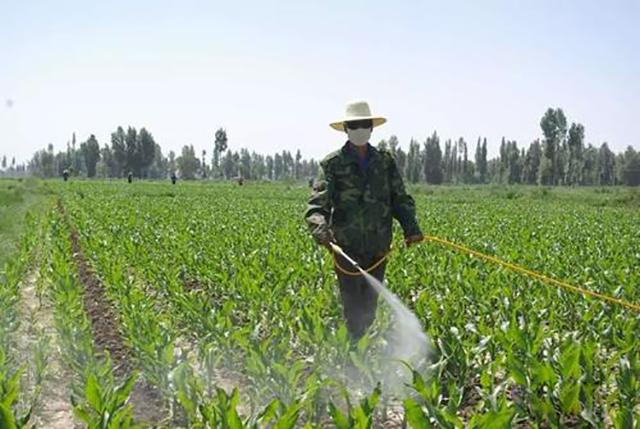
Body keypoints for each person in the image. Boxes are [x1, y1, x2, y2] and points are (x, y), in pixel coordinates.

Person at [305, 100, 423, 341]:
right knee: (353, 307)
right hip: (346, 247)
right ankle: (353, 357)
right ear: (346, 129)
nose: (360, 129)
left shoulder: (385, 162)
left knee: (369, 306)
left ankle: (362, 351)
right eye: (354, 125)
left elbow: (399, 198)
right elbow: (317, 205)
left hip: (379, 246)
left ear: (371, 128)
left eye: (364, 124)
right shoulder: (332, 164)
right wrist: (321, 230)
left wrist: (411, 228)